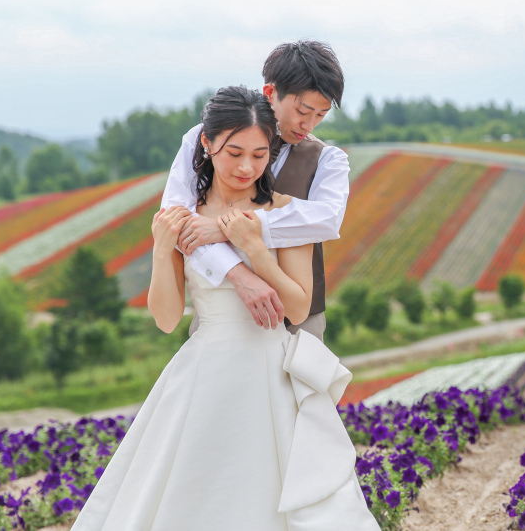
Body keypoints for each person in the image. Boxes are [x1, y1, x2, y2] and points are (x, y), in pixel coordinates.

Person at [69, 86, 380, 530]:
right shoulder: (184, 218)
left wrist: (255, 250)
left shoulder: (288, 213)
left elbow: (297, 308)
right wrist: (162, 250)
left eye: (258, 154)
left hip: (272, 374)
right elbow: (166, 318)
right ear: (206, 144)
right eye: (234, 152)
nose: (246, 167)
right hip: (203, 371)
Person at [161, 40, 349, 342]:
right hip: (223, 318)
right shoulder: (205, 139)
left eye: (321, 115)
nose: (309, 124)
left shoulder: (328, 160)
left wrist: (229, 229)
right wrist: (238, 273)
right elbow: (178, 219)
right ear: (270, 93)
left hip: (299, 322)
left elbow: (326, 221)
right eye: (303, 110)